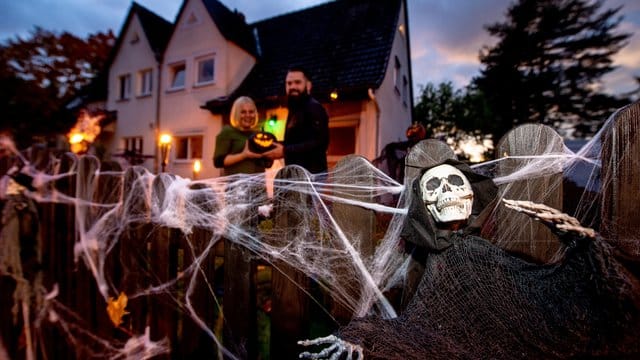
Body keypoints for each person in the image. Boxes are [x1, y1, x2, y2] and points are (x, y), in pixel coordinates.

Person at [298, 159, 640, 359]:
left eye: (453, 183)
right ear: (425, 207)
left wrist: (585, 253)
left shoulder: (485, 253)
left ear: (471, 194)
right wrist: (361, 333)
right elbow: (417, 326)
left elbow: (541, 293)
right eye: (435, 188)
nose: (446, 192)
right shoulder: (443, 260)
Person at [264, 67, 329, 173]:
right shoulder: (294, 109)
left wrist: (284, 151)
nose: (293, 86)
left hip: (312, 176)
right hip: (297, 176)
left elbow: (320, 143)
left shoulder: (314, 108)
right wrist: (276, 146)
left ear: (308, 85)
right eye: (289, 83)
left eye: (297, 82)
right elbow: (298, 141)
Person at [213, 96, 272, 175]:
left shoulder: (258, 134)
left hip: (258, 185)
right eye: (243, 112)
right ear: (236, 114)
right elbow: (218, 162)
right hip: (238, 185)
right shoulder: (228, 132)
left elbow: (267, 164)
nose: (248, 115)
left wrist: (269, 155)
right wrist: (243, 155)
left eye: (251, 112)